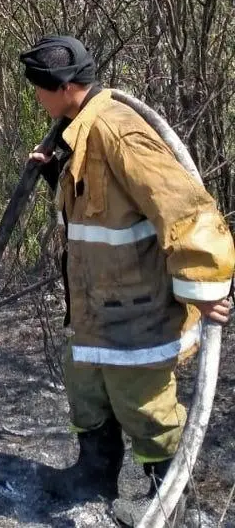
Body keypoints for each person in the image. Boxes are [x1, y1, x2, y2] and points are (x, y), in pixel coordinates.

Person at [19, 35, 235, 526]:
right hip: (95, 303)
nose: (36, 97)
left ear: (64, 86)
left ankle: (171, 499)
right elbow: (98, 211)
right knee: (87, 387)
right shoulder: (80, 132)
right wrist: (55, 174)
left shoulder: (118, 132)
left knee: (144, 403)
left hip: (137, 307)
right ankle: (94, 474)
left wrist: (206, 289)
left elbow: (185, 208)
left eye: (39, 87)